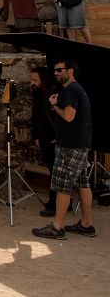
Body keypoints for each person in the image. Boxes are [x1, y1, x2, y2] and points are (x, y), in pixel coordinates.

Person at [33, 58, 96, 240]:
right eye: (54, 70)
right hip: (81, 145)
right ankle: (86, 223)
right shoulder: (78, 90)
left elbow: (68, 117)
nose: (56, 73)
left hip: (70, 146)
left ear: (71, 71)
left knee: (63, 185)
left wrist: (54, 106)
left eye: (60, 70)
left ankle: (57, 227)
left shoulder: (70, 91)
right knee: (83, 184)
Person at [29, 66, 60, 216]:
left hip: (54, 141)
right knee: (52, 170)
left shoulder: (53, 96)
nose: (32, 83)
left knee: (55, 173)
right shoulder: (38, 94)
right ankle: (62, 203)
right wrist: (35, 137)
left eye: (35, 80)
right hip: (44, 140)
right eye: (31, 80)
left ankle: (53, 205)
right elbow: (35, 118)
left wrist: (56, 137)